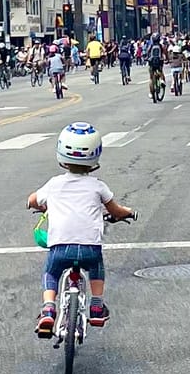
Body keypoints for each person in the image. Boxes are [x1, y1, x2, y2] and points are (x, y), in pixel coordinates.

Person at [28, 122, 136, 336]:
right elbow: (116, 211)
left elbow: (32, 200)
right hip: (89, 249)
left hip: (60, 247)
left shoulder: (54, 184)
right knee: (96, 268)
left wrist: (40, 205)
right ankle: (96, 305)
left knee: (51, 272)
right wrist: (128, 212)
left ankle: (49, 307)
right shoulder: (98, 186)